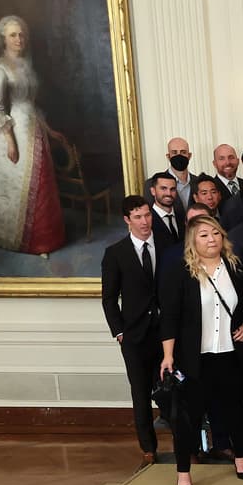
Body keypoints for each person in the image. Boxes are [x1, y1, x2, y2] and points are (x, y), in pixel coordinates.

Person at [158, 215, 243, 485]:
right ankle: (183, 472)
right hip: (194, 358)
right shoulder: (182, 271)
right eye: (204, 235)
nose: (211, 239)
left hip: (229, 353)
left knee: (235, 409)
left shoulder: (235, 267)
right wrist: (168, 355)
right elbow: (170, 317)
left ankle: (241, 460)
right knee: (189, 417)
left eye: (216, 234)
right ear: (192, 241)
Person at [100, 195, 164, 468]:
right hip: (135, 337)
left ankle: (189, 447)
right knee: (140, 395)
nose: (145, 221)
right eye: (138, 217)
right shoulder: (115, 253)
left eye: (147, 215)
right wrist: (120, 332)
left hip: (166, 335)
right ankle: (148, 450)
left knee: (172, 392)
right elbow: (108, 298)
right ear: (127, 220)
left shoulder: (166, 245)